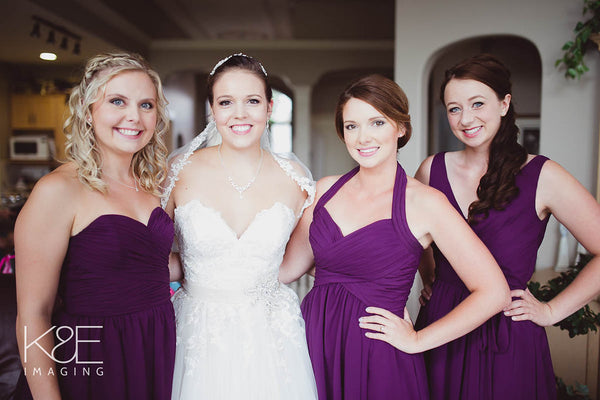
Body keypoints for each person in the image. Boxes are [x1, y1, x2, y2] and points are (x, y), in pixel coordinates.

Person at [279, 74, 511, 400]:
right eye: (351, 126)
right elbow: (287, 269)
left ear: (400, 128)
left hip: (379, 355)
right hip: (315, 343)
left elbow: (495, 292)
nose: (363, 137)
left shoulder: (425, 203)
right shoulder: (323, 191)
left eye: (376, 122)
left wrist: (418, 340)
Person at [415, 53, 600, 399]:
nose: (466, 118)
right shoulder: (431, 170)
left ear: (504, 103)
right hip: (441, 325)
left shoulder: (543, 175)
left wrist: (550, 311)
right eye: (454, 108)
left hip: (505, 334)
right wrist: (430, 280)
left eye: (477, 104)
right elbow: (417, 238)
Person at [14, 52, 175, 400]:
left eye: (146, 105)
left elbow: (147, 268)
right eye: (117, 101)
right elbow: (33, 315)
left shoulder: (153, 186)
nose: (134, 116)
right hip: (92, 360)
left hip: (154, 349)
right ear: (88, 111)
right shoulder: (57, 191)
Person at [162, 54, 317, 399]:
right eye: (226, 102)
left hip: (272, 335)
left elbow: (297, 264)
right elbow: (151, 248)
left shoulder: (298, 180)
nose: (240, 114)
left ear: (270, 107)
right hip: (194, 330)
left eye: (252, 101)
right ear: (212, 111)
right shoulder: (178, 171)